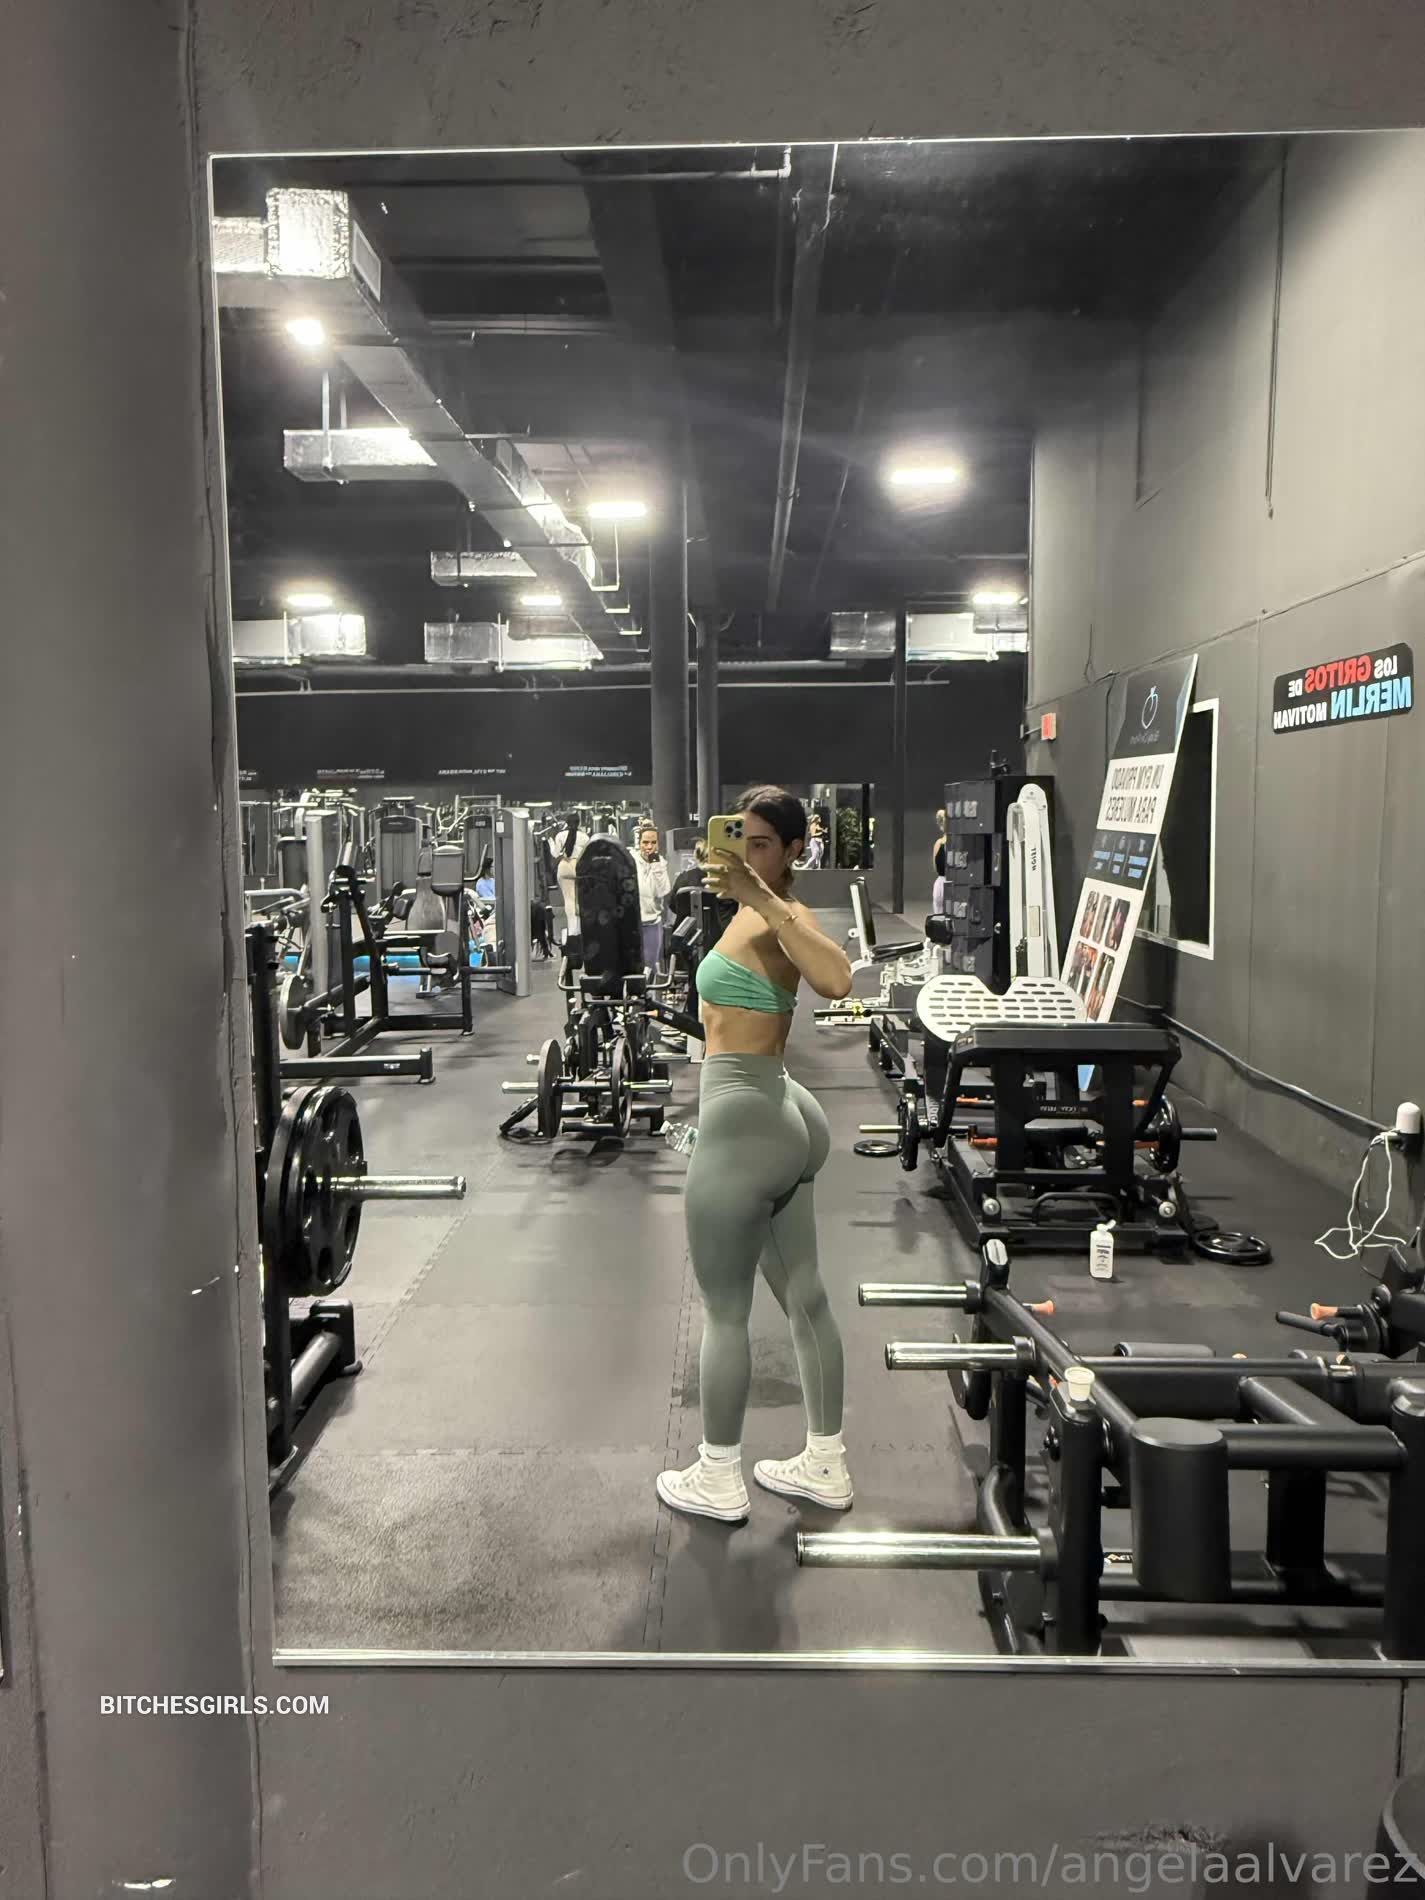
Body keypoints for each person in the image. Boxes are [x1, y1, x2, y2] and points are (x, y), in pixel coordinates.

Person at [655, 786, 855, 1525]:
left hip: (746, 1119)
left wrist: (760, 895)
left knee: (725, 1313)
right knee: (804, 1296)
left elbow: (837, 980)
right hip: (776, 1107)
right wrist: (746, 890)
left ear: (796, 849)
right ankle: (825, 1463)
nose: (748, 853)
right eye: (742, 838)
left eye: (764, 843)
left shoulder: (781, 911)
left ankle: (717, 1476)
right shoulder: (747, 906)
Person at [635, 823, 671, 973]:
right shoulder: (631, 861)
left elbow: (662, 891)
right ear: (639, 843)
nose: (649, 847)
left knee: (650, 968)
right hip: (632, 924)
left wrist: (655, 865)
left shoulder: (660, 863)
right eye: (645, 842)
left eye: (653, 842)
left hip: (652, 923)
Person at [554, 814, 589, 943]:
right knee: (579, 901)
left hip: (564, 866)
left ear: (566, 822)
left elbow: (555, 854)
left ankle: (572, 932)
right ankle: (580, 930)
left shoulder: (560, 836)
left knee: (569, 900)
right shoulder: (585, 837)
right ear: (579, 823)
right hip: (579, 867)